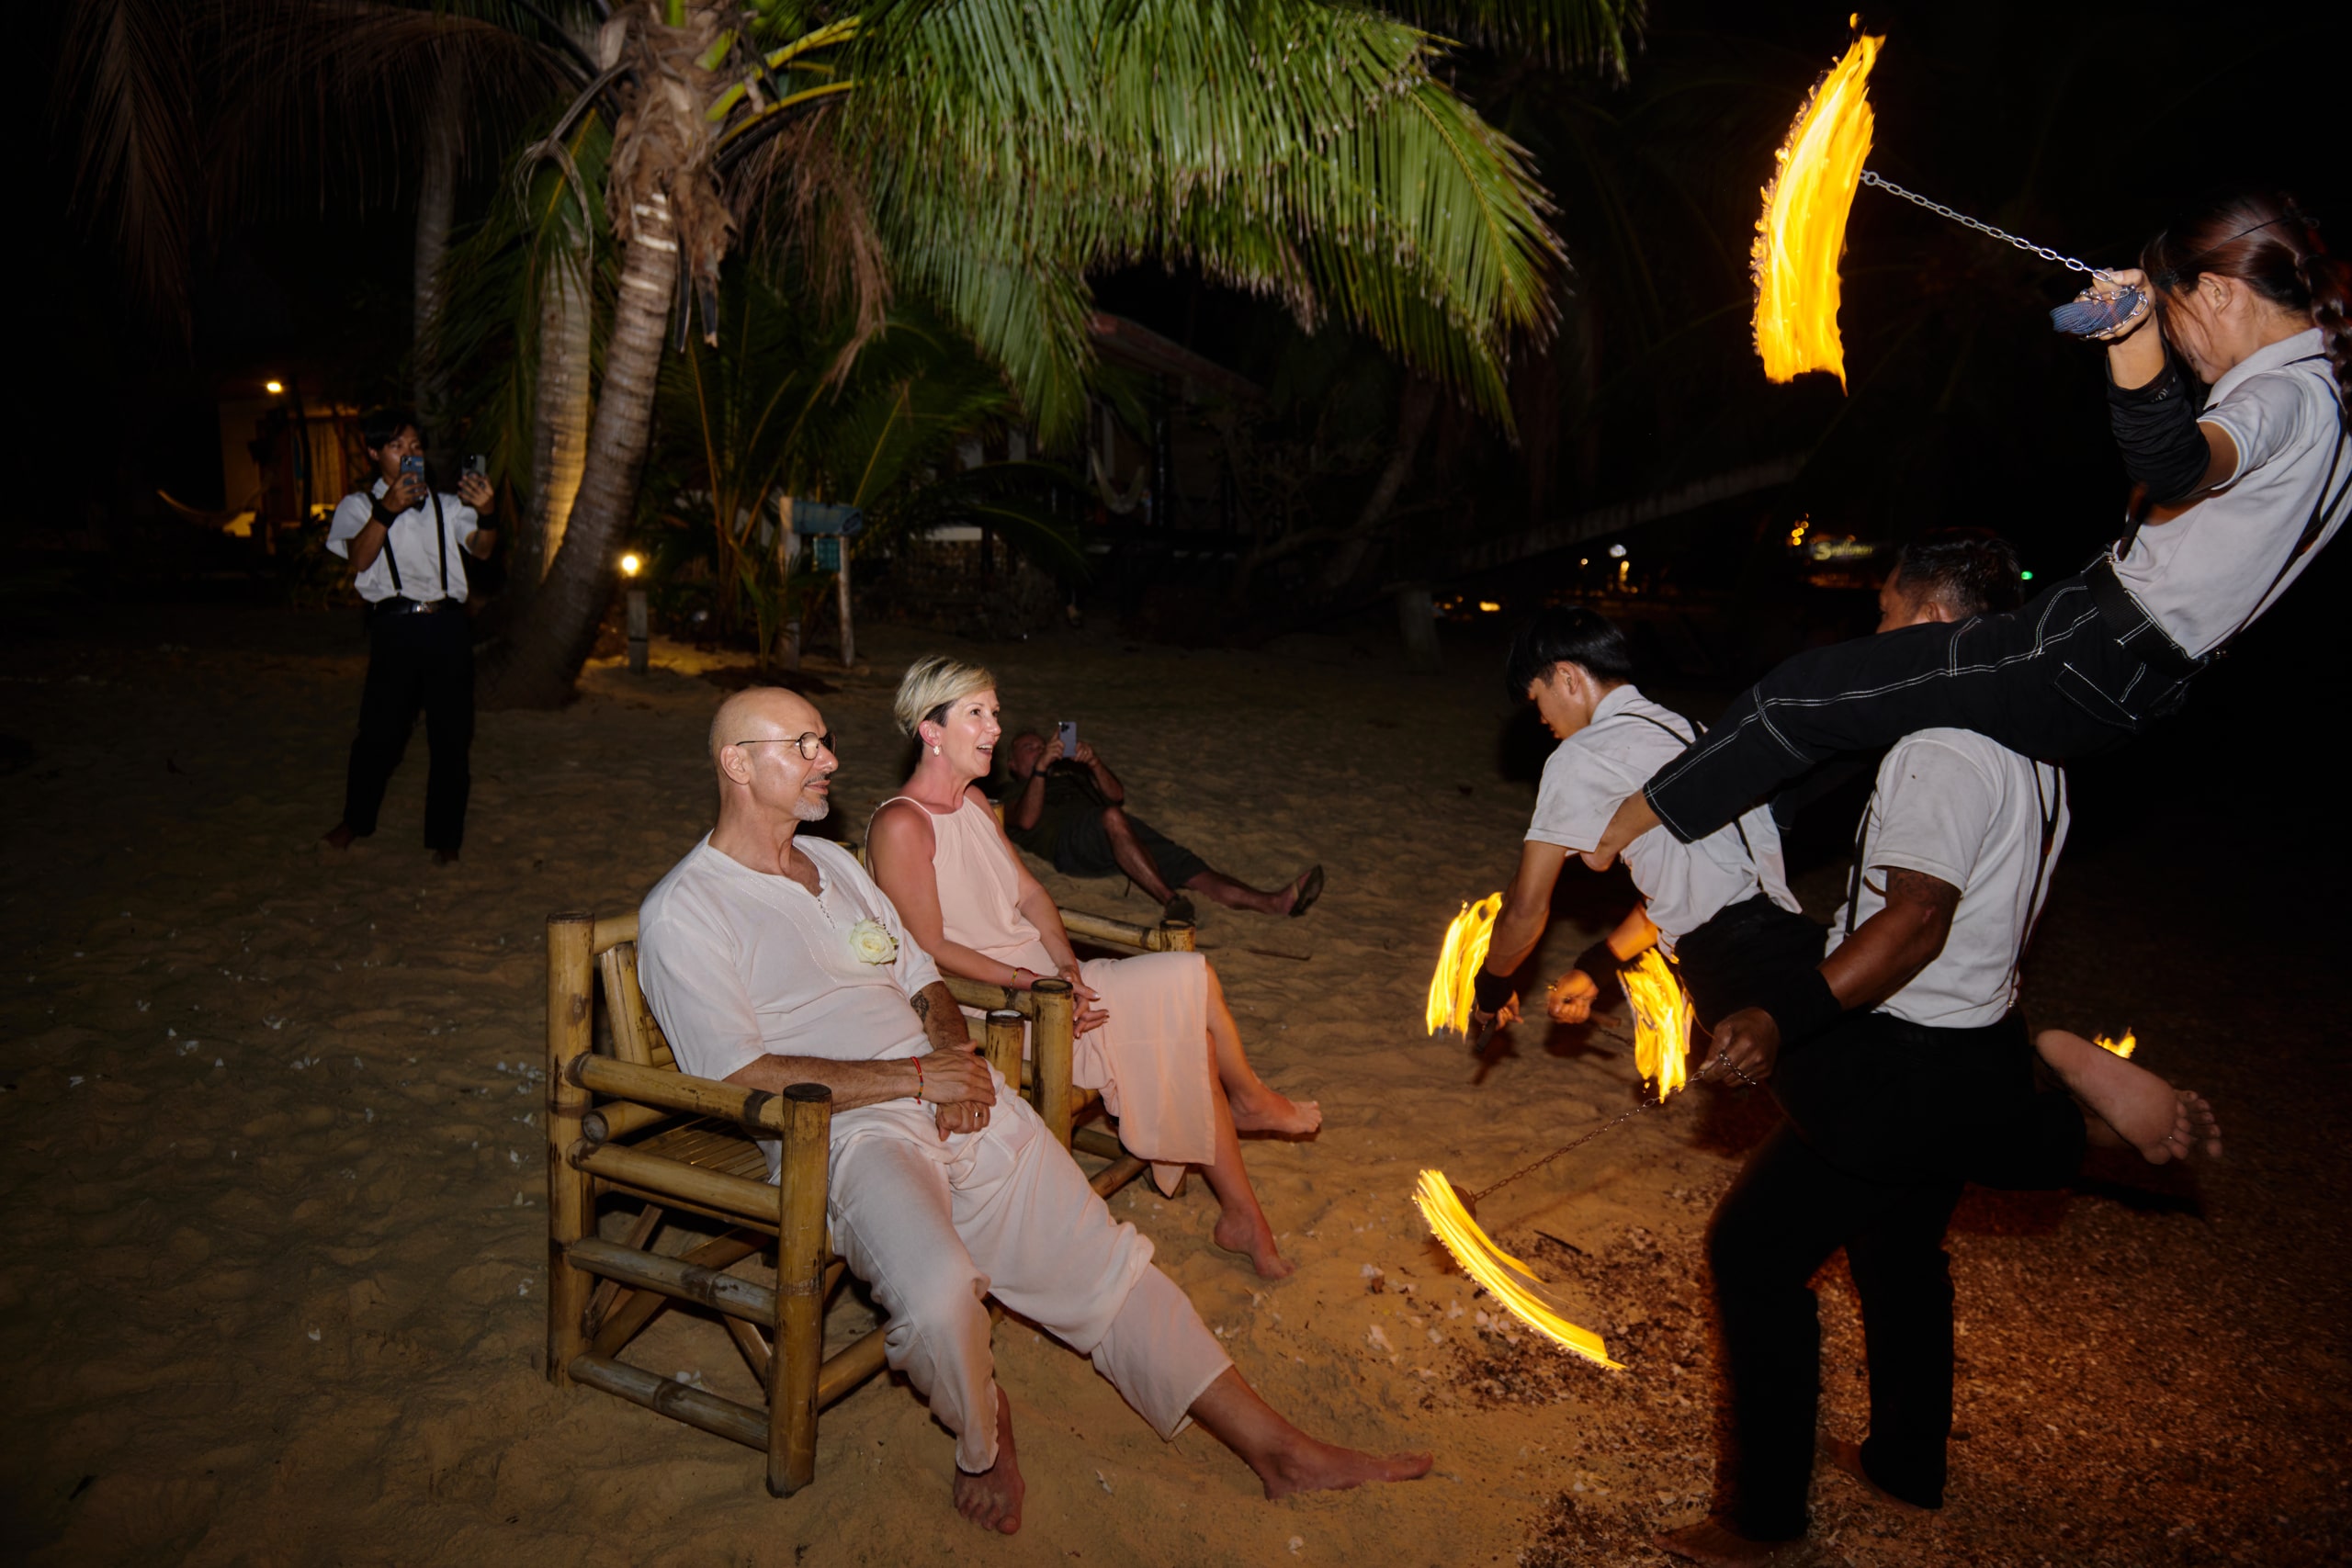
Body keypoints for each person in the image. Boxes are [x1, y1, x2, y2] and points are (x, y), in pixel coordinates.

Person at [635, 687, 1430, 1534]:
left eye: (825, 742)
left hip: (945, 1090)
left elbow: (919, 976)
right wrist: (914, 1080)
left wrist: (952, 1057)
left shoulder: (832, 865)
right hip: (843, 1134)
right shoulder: (686, 909)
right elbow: (739, 1072)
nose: (830, 760)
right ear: (737, 764)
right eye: (804, 746)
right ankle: (983, 1435)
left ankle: (1279, 1450)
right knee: (941, 1298)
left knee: (1109, 1267)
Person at [1652, 565, 2223, 1566]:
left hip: (1905, 1056)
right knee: (1898, 1250)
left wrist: (1784, 1016)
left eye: (1882, 614)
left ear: (1932, 616)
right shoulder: (2037, 744)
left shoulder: (1940, 745)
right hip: (1976, 1035)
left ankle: (1764, 1523)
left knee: (1751, 1255)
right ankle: (1907, 1462)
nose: (1874, 636)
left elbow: (1915, 922)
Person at [1584, 191, 2351, 868]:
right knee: (1877, 707)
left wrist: (2130, 339)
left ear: (2216, 292)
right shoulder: (2332, 401)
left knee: (1799, 690)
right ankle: (1759, 823)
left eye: (2177, 318)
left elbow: (2178, 464)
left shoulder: (2282, 394)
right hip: (2134, 680)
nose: (2181, 345)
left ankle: (1625, 826)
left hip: (2090, 651)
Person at [867, 657, 1320, 1280]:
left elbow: (1029, 894)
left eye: (994, 712)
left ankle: (1246, 1161)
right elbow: (930, 946)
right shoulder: (900, 823)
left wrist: (1066, 965)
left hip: (1052, 982)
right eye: (977, 713)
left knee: (1187, 978)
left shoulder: (972, 802)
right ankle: (1247, 1166)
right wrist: (1039, 984)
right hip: (994, 1009)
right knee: (1179, 1021)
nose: (994, 728)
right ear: (931, 729)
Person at [1464, 608, 1822, 1048]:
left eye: (1537, 698)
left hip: (1736, 967)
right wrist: (1597, 964)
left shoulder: (1582, 755)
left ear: (1567, 678)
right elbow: (1699, 891)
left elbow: (1525, 907)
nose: (1541, 718)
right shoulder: (1694, 732)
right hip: (1795, 947)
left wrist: (1491, 987)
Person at [320, 409, 497, 863]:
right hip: (394, 627)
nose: (410, 454)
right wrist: (388, 509)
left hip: (447, 625)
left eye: (416, 446)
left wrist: (488, 514)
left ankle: (445, 838)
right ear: (375, 452)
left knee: (451, 737)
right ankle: (355, 821)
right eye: (398, 446)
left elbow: (482, 549)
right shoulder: (357, 506)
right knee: (379, 734)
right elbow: (359, 559)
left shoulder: (447, 505)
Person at [1001, 728, 1324, 922]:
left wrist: (1094, 763)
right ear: (1013, 765)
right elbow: (1026, 820)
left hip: (1116, 832)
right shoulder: (1007, 796)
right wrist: (1041, 770)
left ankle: (1274, 903)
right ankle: (1171, 901)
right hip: (1070, 846)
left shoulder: (1070, 775)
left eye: (1042, 744)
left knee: (1190, 867)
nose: (1040, 748)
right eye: (1029, 747)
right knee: (1111, 817)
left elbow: (1117, 795)